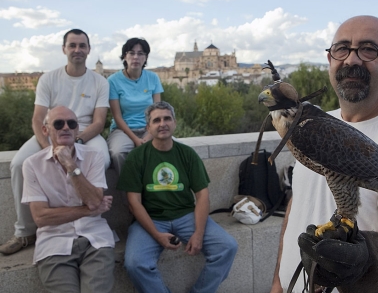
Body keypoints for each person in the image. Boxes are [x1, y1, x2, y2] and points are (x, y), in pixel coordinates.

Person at [271, 15, 378, 293]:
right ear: (330, 60)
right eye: (342, 48)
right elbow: (299, 204)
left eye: (369, 49)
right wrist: (278, 284)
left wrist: (368, 259)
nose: (351, 60)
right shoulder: (310, 125)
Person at [0, 28, 110, 256]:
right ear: (64, 49)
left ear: (89, 50)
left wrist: (74, 141)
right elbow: (38, 119)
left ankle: (92, 218)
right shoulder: (49, 79)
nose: (77, 50)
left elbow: (99, 122)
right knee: (20, 163)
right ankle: (24, 231)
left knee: (105, 160)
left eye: (82, 45)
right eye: (72, 45)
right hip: (53, 131)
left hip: (85, 133)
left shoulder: (99, 81)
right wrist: (51, 147)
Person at [117, 101, 237, 293]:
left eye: (167, 118)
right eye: (156, 120)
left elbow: (203, 196)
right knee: (134, 263)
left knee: (227, 247)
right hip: (151, 220)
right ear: (148, 127)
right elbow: (133, 203)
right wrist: (157, 235)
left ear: (175, 123)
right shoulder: (137, 157)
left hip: (186, 216)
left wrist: (198, 234)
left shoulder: (187, 154)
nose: (162, 124)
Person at [21, 106, 115, 292]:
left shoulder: (93, 156)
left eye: (71, 123)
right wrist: (88, 210)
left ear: (77, 129)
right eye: (58, 123)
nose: (66, 127)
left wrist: (70, 165)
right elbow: (41, 218)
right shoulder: (32, 164)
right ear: (45, 130)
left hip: (95, 240)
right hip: (54, 243)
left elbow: (95, 200)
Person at [107, 38, 164, 175]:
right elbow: (117, 116)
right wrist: (136, 140)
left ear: (145, 58)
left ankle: (160, 191)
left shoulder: (153, 78)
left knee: (170, 147)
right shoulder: (113, 81)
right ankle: (128, 190)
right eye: (131, 53)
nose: (136, 57)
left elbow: (157, 112)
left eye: (141, 53)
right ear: (125, 56)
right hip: (123, 130)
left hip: (149, 128)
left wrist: (149, 135)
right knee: (118, 152)